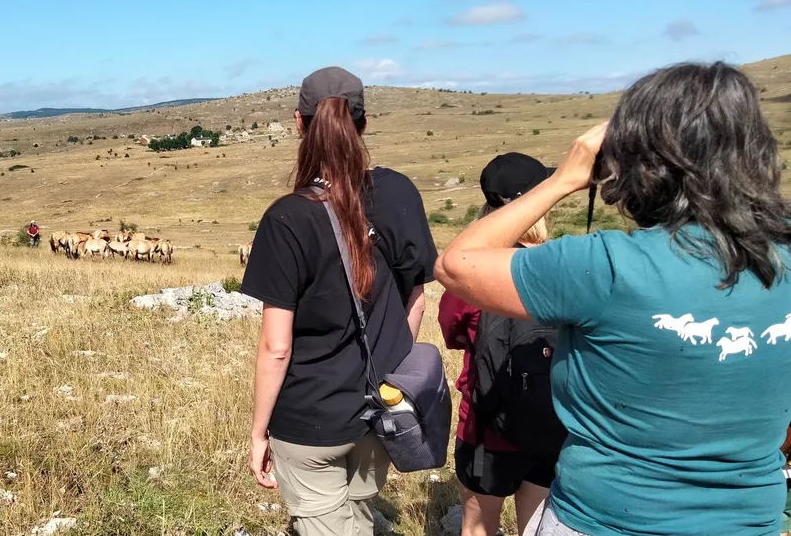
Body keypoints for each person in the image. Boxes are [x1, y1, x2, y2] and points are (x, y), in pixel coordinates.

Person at [434, 62, 791, 536]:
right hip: (748, 521)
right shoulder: (783, 261)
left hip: (605, 517)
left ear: (644, 164)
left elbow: (456, 266)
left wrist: (562, 179)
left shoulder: (606, 265)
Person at [241, 67, 438, 536]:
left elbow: (276, 347)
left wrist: (257, 432)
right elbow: (417, 300)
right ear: (363, 124)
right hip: (380, 409)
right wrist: (390, 372)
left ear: (299, 123)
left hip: (309, 418)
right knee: (360, 514)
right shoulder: (398, 192)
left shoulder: (287, 218)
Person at [439, 153, 560, 536]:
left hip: (486, 426)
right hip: (551, 421)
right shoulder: (565, 265)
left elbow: (451, 331)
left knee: (478, 528)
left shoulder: (474, 272)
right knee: (537, 525)